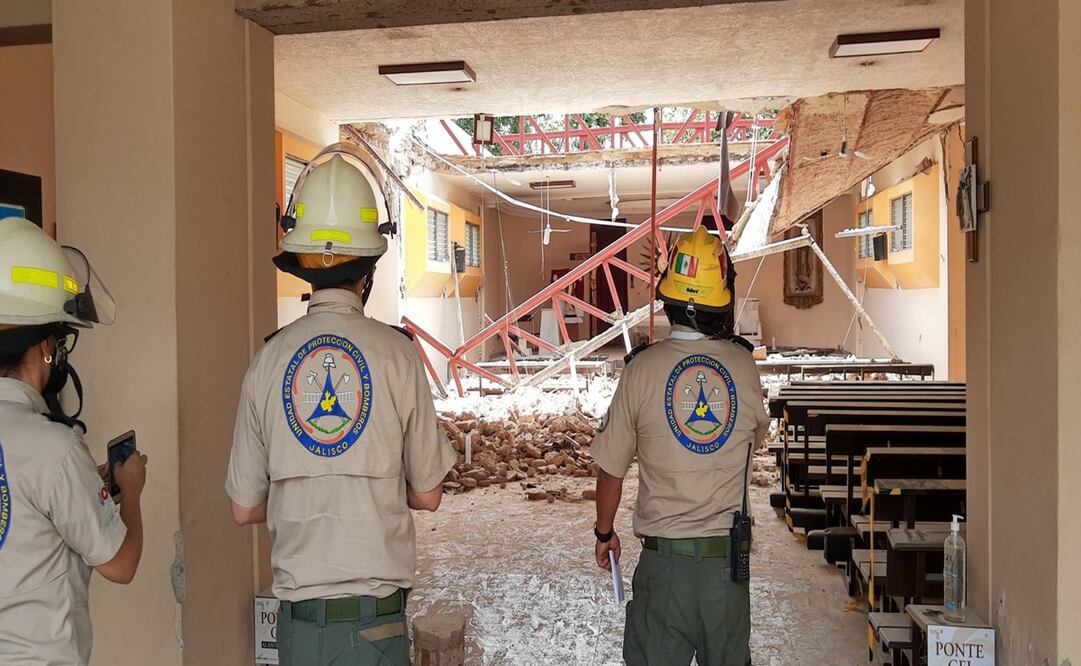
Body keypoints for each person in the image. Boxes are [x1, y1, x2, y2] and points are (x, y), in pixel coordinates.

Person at [226, 144, 456, 666]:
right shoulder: (398, 356)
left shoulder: (267, 361)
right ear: (368, 269)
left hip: (300, 632)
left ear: (304, 267)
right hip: (376, 627)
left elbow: (243, 508)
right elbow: (429, 496)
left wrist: (305, 491)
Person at [590, 225, 770, 666]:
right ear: (722, 299)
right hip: (726, 571)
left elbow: (610, 470)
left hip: (663, 568)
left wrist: (604, 532)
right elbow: (754, 440)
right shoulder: (744, 369)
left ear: (667, 297)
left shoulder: (640, 370)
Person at [0, 216, 147, 664]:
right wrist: (132, 493)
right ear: (47, 344)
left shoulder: (55, 455)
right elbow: (120, 565)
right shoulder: (54, 448)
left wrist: (90, 483)